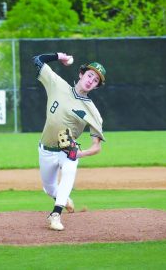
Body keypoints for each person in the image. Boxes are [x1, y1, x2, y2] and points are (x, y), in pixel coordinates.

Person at [32, 52, 106, 231]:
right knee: (49, 188)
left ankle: (55, 214)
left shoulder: (93, 112)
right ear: (81, 74)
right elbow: (37, 60)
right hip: (46, 150)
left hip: (67, 150)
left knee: (71, 167)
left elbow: (97, 147)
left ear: (96, 86)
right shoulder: (57, 85)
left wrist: (80, 153)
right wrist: (59, 56)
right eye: (89, 75)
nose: (91, 80)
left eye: (96, 80)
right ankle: (63, 199)